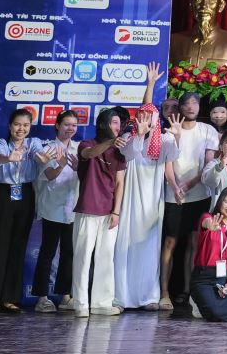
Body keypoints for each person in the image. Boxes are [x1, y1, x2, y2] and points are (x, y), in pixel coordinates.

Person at [116, 97, 175, 311]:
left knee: (150, 247)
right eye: (142, 116)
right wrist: (139, 135)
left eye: (150, 117)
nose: (145, 120)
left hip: (153, 202)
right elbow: (129, 154)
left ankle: (149, 296)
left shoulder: (165, 140)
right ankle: (121, 297)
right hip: (130, 199)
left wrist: (175, 187)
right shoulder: (127, 137)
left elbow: (171, 162)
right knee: (125, 244)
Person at [161, 90, 219, 310]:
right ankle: (164, 292)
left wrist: (191, 184)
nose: (191, 107)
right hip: (173, 195)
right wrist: (175, 186)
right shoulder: (170, 130)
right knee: (170, 242)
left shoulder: (207, 130)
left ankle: (188, 290)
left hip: (200, 194)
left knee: (194, 243)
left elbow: (209, 162)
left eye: (195, 103)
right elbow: (167, 162)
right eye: (187, 103)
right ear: (181, 107)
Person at [71, 107, 127, 318]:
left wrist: (116, 212)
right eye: (113, 122)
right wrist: (111, 142)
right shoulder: (87, 144)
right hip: (87, 209)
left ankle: (102, 303)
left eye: (119, 123)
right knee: (83, 257)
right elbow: (90, 154)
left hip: (109, 213)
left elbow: (120, 183)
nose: (117, 127)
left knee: (106, 257)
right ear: (103, 124)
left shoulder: (120, 152)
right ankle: (81, 304)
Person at [0, 107, 38, 313]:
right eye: (17, 124)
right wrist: (10, 158)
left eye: (25, 125)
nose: (21, 129)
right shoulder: (1, 143)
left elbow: (40, 155)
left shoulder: (33, 143)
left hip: (25, 194)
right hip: (3, 195)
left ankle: (10, 298)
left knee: (18, 246)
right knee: (0, 245)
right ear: (10, 126)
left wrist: (45, 158)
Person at [30, 109, 80, 312]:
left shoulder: (79, 148)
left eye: (74, 125)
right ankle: (41, 298)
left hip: (72, 208)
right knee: (47, 252)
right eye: (66, 124)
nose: (70, 128)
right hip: (51, 207)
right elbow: (49, 175)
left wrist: (79, 169)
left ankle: (65, 296)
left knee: (69, 253)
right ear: (57, 125)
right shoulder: (47, 149)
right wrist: (60, 166)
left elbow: (85, 177)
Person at [190, 187, 227, 322]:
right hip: (204, 276)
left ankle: (205, 302)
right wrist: (211, 226)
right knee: (216, 314)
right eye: (226, 202)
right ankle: (195, 299)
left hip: (224, 278)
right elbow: (206, 223)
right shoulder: (208, 217)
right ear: (220, 202)